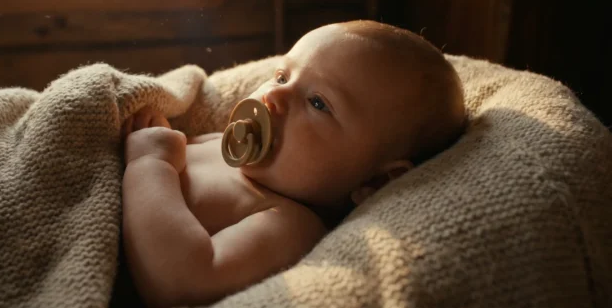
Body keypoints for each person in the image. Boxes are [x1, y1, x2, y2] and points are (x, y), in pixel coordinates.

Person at [121, 20, 466, 307]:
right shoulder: (223, 142)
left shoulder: (287, 224)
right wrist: (158, 133)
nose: (273, 95)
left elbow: (184, 281)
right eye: (282, 77)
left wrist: (149, 162)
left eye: (318, 103)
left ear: (376, 183)